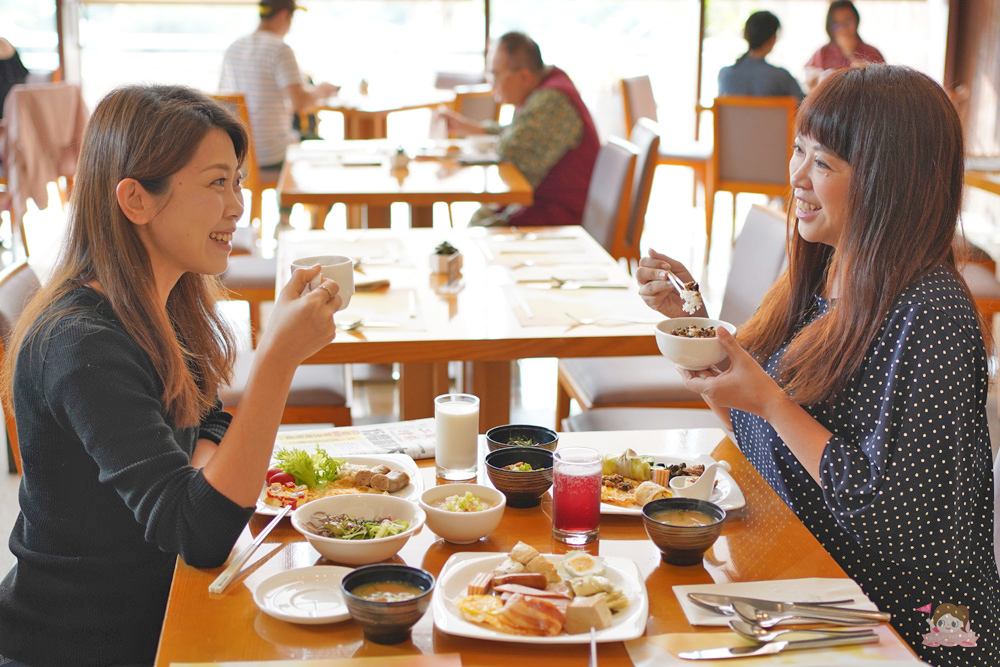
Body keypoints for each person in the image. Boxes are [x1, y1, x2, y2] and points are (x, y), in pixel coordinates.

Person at [637, 65, 1000, 666]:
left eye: (824, 164)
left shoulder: (932, 310)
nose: (797, 177)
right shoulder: (825, 272)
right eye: (798, 151)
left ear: (891, 183)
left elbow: (893, 521)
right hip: (817, 581)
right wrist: (695, 333)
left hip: (917, 627)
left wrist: (773, 403)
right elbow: (767, 451)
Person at [0, 84, 342, 666]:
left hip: (165, 603)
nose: (238, 204)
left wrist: (203, 476)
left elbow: (202, 418)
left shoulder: (157, 301)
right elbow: (199, 533)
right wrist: (277, 359)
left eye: (237, 179)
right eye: (217, 183)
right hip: (84, 641)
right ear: (135, 199)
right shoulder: (82, 343)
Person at [442, 31, 599, 227]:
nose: (492, 85)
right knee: (481, 216)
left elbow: (512, 151)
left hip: (566, 216)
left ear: (524, 76)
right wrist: (472, 128)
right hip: (548, 203)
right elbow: (517, 133)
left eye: (495, 75)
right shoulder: (546, 88)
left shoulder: (551, 100)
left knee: (482, 226)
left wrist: (483, 135)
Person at [219, 0, 338, 231]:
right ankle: (306, 229)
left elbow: (222, 101)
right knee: (326, 159)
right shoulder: (280, 49)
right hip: (271, 153)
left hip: (240, 154)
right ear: (284, 15)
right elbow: (301, 102)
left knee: (297, 141)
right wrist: (322, 90)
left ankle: (284, 222)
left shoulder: (234, 48)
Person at [718, 11, 804, 101]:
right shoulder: (781, 76)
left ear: (746, 35)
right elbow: (806, 107)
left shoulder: (725, 74)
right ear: (772, 38)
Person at [804, 1, 884, 91]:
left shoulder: (872, 53)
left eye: (848, 22)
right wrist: (811, 80)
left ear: (856, 21)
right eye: (837, 25)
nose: (843, 29)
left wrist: (869, 75)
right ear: (830, 27)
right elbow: (808, 81)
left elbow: (885, 86)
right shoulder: (822, 53)